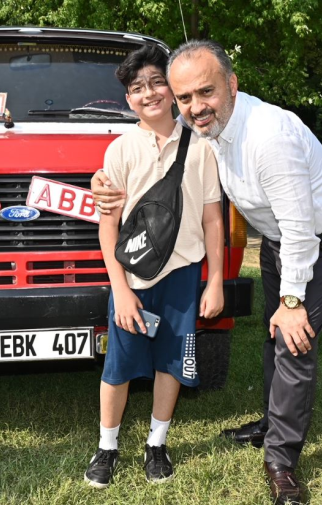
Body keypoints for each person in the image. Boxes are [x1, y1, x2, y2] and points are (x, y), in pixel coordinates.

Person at [92, 40, 322, 504]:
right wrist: (101, 183)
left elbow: (300, 231)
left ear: (232, 85)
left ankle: (281, 460)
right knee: (272, 333)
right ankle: (273, 421)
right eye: (185, 98)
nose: (195, 107)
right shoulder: (204, 129)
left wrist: (293, 302)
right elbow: (150, 142)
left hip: (321, 235)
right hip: (278, 238)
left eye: (206, 92)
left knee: (294, 338)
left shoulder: (268, 136)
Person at [84, 44, 224, 490]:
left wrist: (216, 280)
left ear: (173, 88)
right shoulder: (120, 151)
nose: (149, 94)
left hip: (183, 276)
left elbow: (212, 218)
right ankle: (107, 447)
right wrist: (120, 290)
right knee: (119, 367)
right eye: (136, 87)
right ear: (128, 99)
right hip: (133, 277)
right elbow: (109, 228)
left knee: (172, 363)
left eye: (157, 82)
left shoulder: (202, 147)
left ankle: (156, 444)